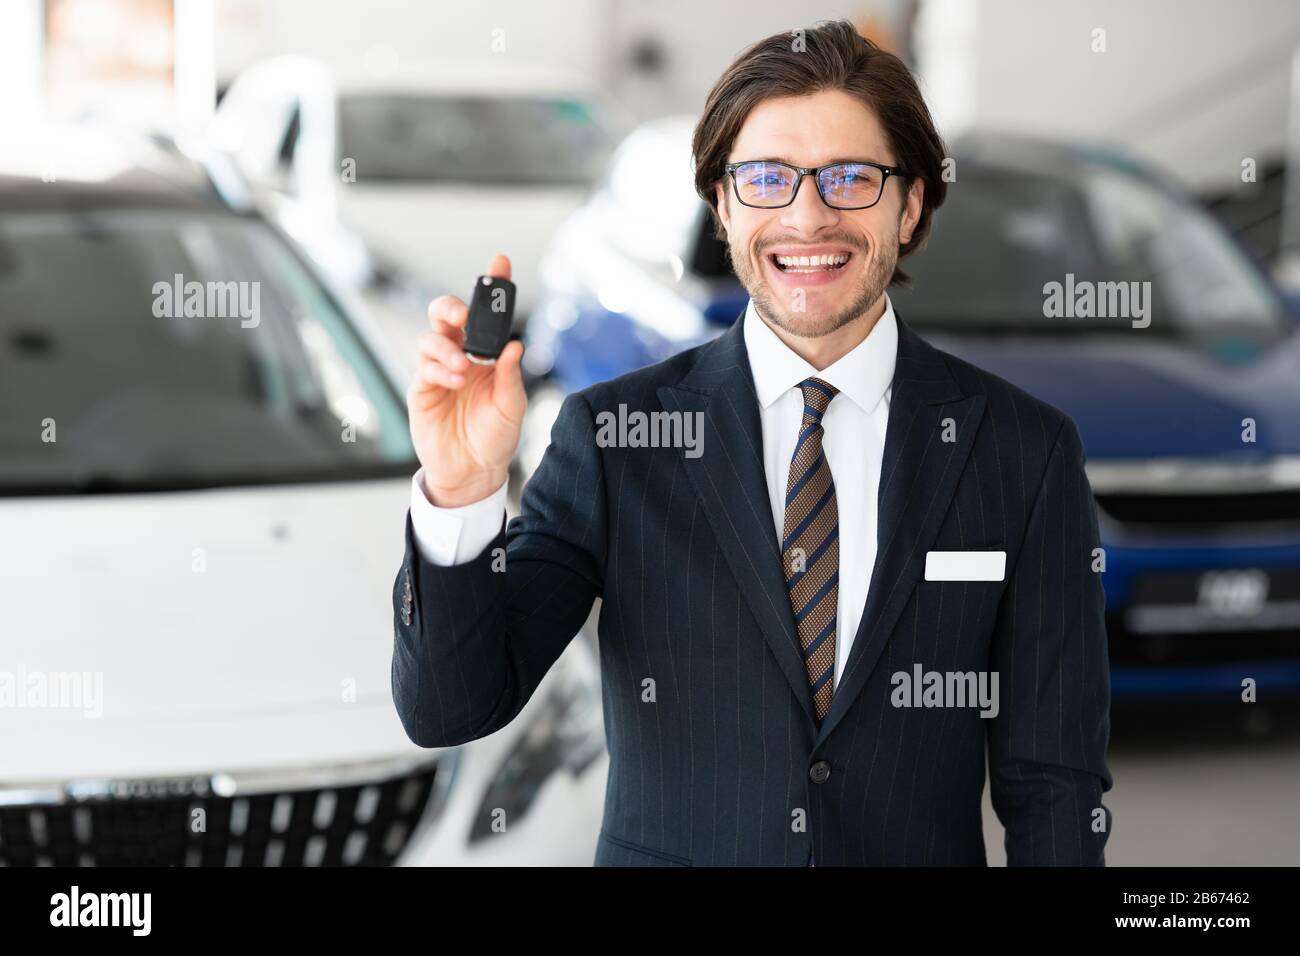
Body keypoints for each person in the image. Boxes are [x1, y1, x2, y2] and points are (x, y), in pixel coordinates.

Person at [392, 19, 1113, 866]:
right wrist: (463, 487)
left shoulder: (1023, 451)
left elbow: (1053, 784)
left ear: (911, 203)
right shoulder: (615, 439)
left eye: (851, 178)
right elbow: (452, 710)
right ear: (725, 208)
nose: (808, 217)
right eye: (768, 179)